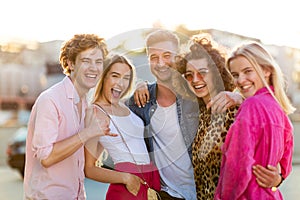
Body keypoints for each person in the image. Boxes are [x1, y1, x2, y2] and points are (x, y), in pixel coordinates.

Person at [23, 34, 115, 199]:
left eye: (98, 62)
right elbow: (47, 157)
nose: (94, 68)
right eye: (86, 61)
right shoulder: (50, 100)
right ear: (71, 64)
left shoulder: (85, 102)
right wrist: (88, 132)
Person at [214, 41, 295, 199]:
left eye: (247, 71)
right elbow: (285, 165)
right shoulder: (280, 110)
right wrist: (278, 179)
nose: (240, 80)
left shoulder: (251, 106)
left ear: (266, 70)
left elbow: (238, 167)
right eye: (235, 75)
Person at [127, 29, 200, 199]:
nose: (160, 63)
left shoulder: (196, 95)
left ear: (178, 57)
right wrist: (140, 84)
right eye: (154, 57)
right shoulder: (140, 102)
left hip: (203, 193)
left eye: (167, 55)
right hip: (166, 194)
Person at [84, 54, 161, 200]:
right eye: (115, 75)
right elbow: (89, 169)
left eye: (126, 78)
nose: (121, 83)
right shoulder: (94, 112)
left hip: (150, 181)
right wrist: (126, 178)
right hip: (127, 187)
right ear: (103, 77)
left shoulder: (125, 105)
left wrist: (141, 84)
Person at [176, 34, 239, 200]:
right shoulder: (200, 113)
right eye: (189, 75)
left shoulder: (235, 108)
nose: (195, 80)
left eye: (202, 73)